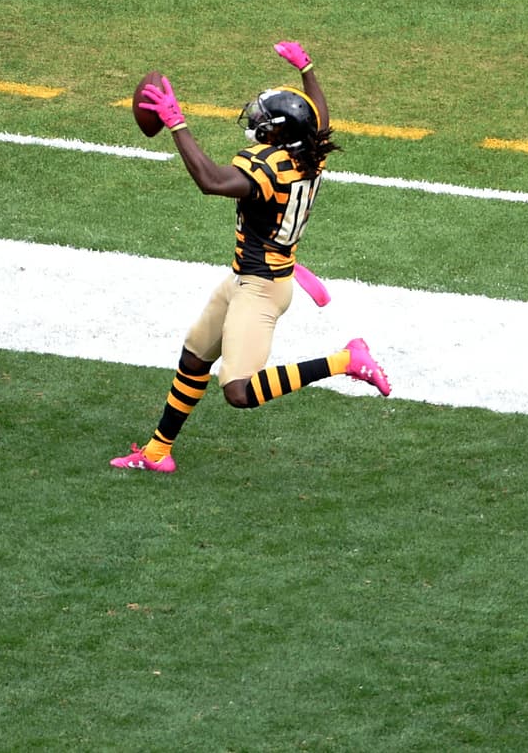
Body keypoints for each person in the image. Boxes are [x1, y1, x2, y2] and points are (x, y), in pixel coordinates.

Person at [111, 41, 391, 474]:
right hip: (247, 278)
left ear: (279, 132)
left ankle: (346, 360)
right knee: (194, 358)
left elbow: (210, 181)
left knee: (238, 391)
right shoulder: (308, 154)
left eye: (264, 119)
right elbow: (319, 117)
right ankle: (157, 451)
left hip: (261, 289)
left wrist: (176, 124)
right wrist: (308, 70)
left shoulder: (270, 169)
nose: (256, 122)